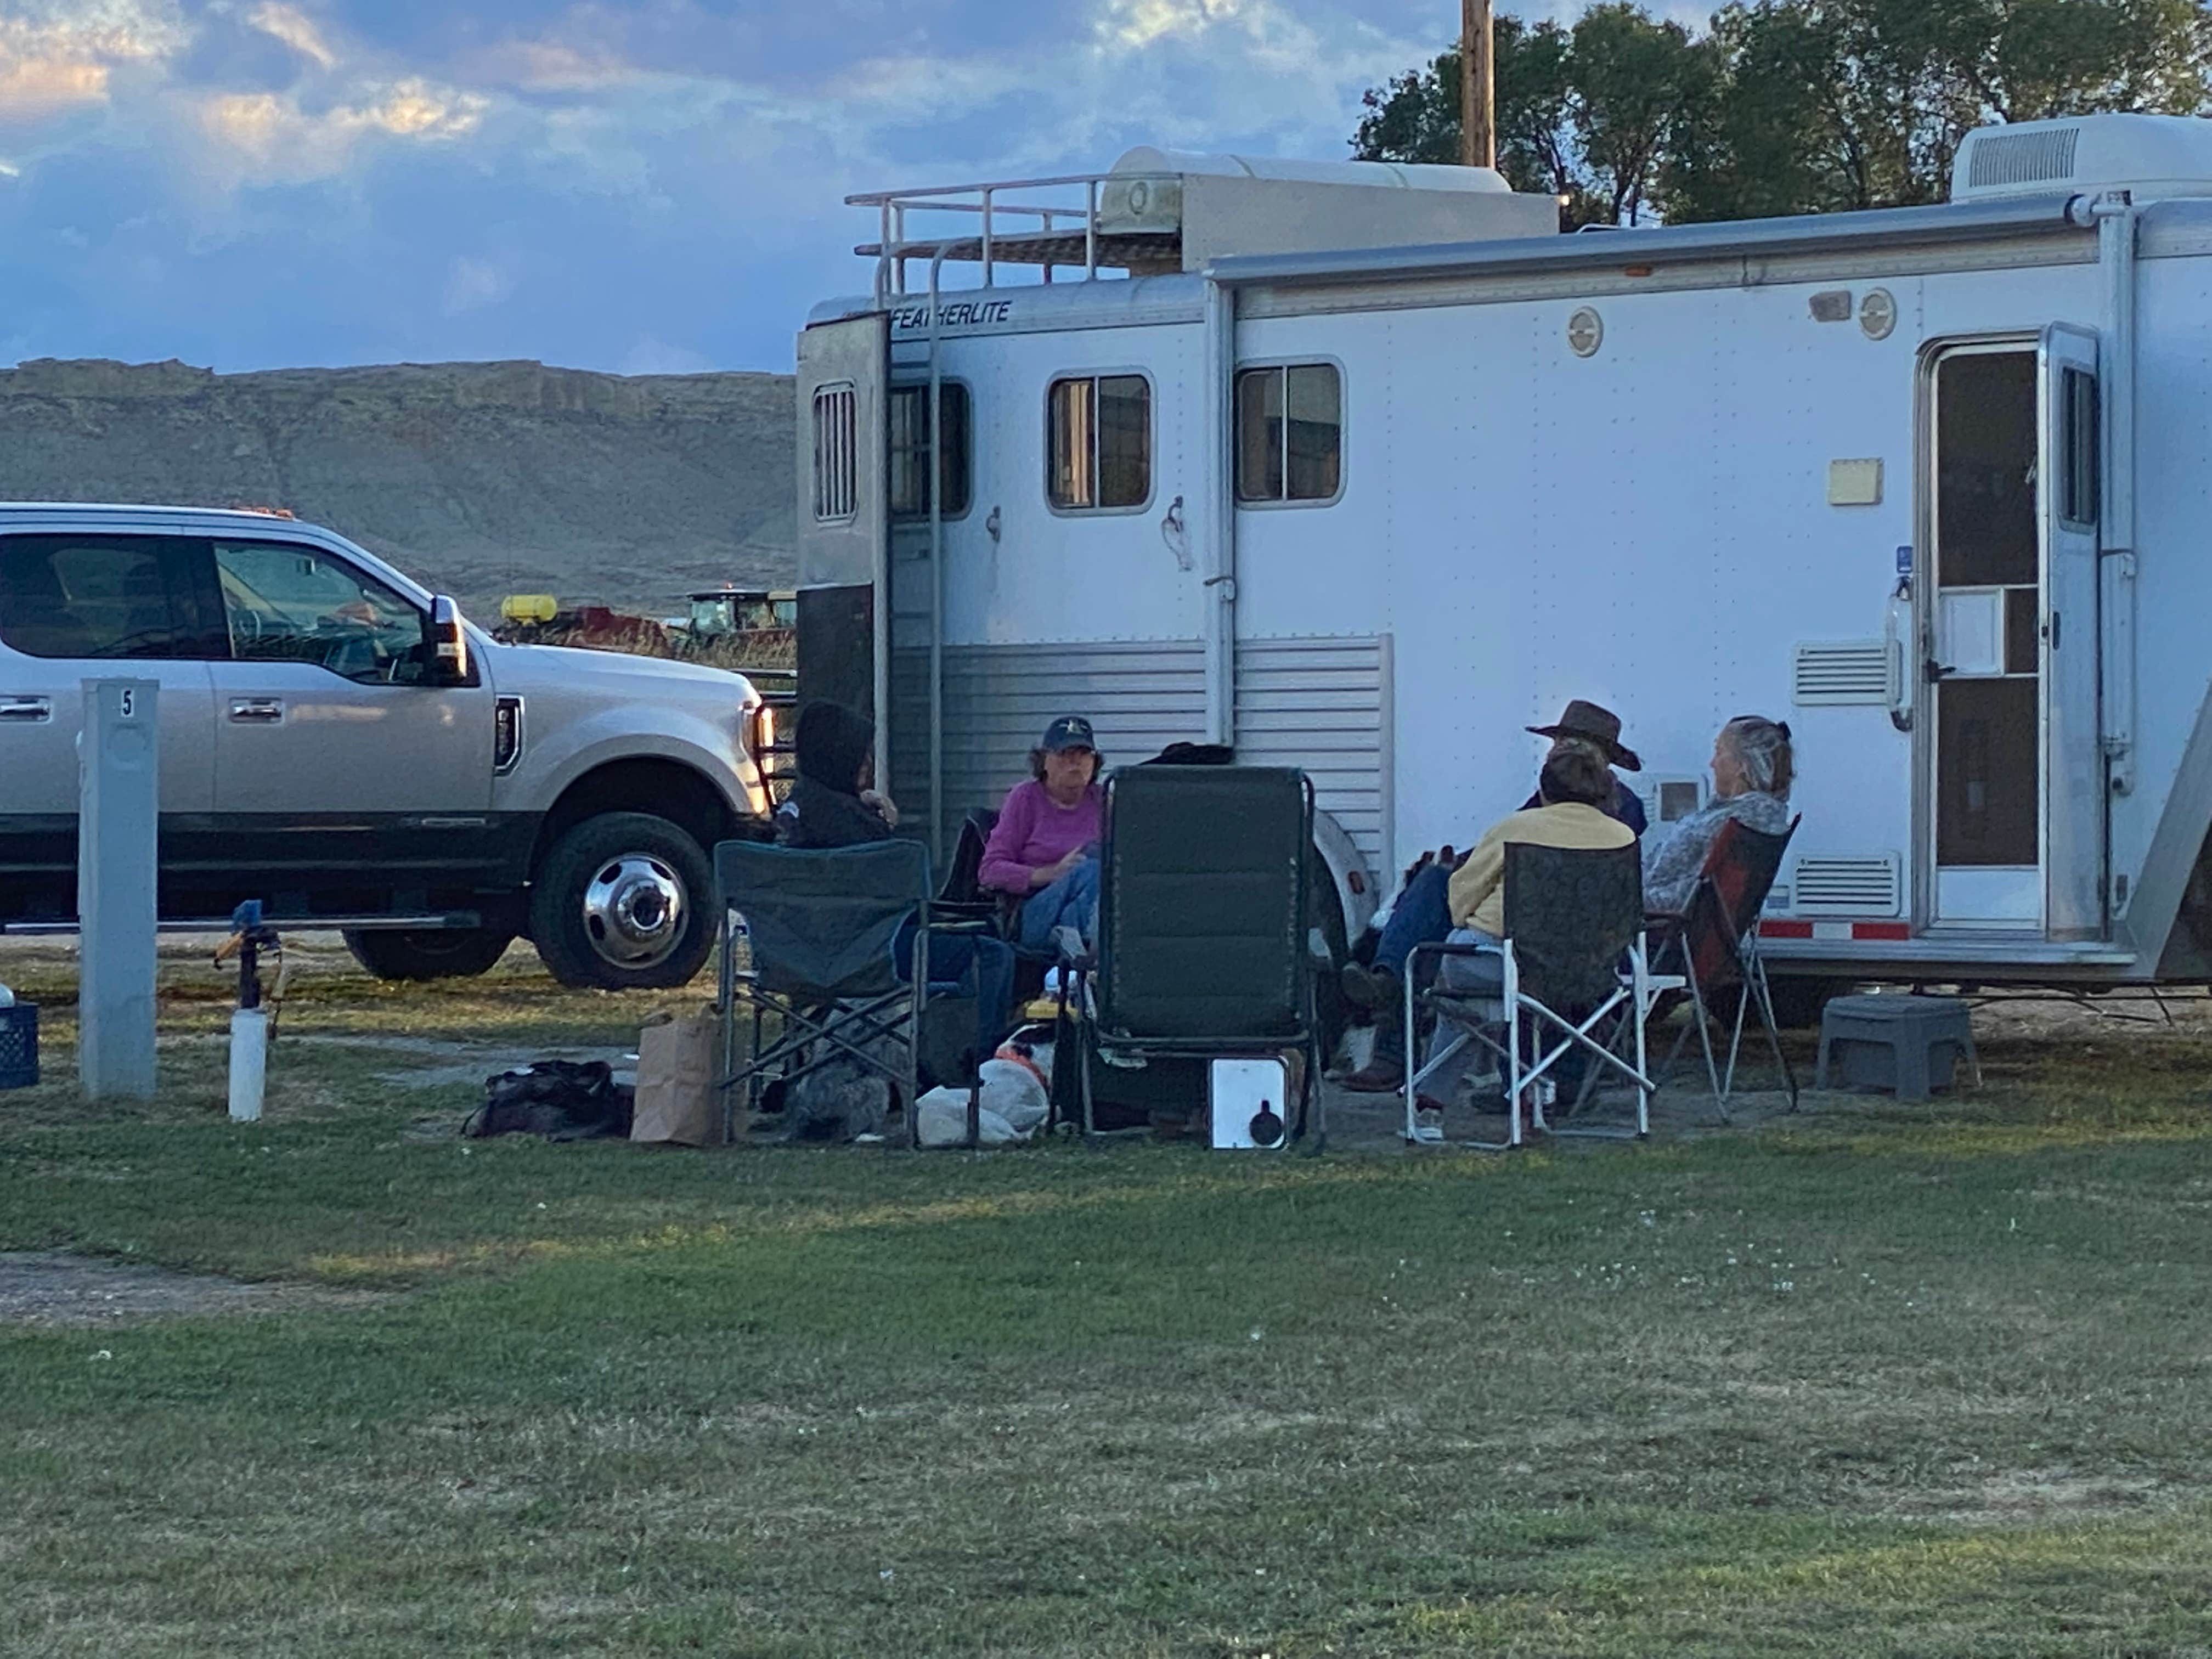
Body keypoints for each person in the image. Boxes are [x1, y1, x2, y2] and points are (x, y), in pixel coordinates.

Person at [1339, 701, 1644, 1092]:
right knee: (1433, 884)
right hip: (1556, 948)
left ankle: (1400, 1033)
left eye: (1569, 743)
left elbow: (1524, 861)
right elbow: (1504, 856)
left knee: (1446, 939)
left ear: (1601, 758)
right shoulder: (1555, 808)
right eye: (1558, 743)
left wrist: (1469, 905)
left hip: (1554, 947)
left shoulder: (1618, 812)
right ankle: (1388, 987)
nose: (1555, 751)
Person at [774, 699, 1014, 1070]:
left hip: (790, 958)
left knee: (978, 932)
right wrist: (884, 822)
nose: (868, 767)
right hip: (870, 957)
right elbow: (903, 894)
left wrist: (857, 803)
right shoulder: (854, 825)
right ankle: (978, 1065)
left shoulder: (793, 814)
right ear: (839, 757)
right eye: (863, 756)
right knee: (993, 952)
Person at [1641, 715, 1794, 915]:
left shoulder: (1732, 822)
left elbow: (1687, 898)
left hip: (1655, 917)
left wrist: (1624, 898)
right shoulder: (1762, 818)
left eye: (1719, 752)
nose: (1712, 763)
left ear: (1742, 766)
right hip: (1690, 924)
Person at [980, 715, 1105, 956]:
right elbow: (990, 871)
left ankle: (1077, 954)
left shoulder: (1104, 800)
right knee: (1091, 869)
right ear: (1044, 761)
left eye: (1083, 754)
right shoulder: (1025, 799)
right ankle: (1085, 959)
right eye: (1064, 754)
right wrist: (1052, 873)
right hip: (1035, 914)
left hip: (1093, 913)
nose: (1074, 762)